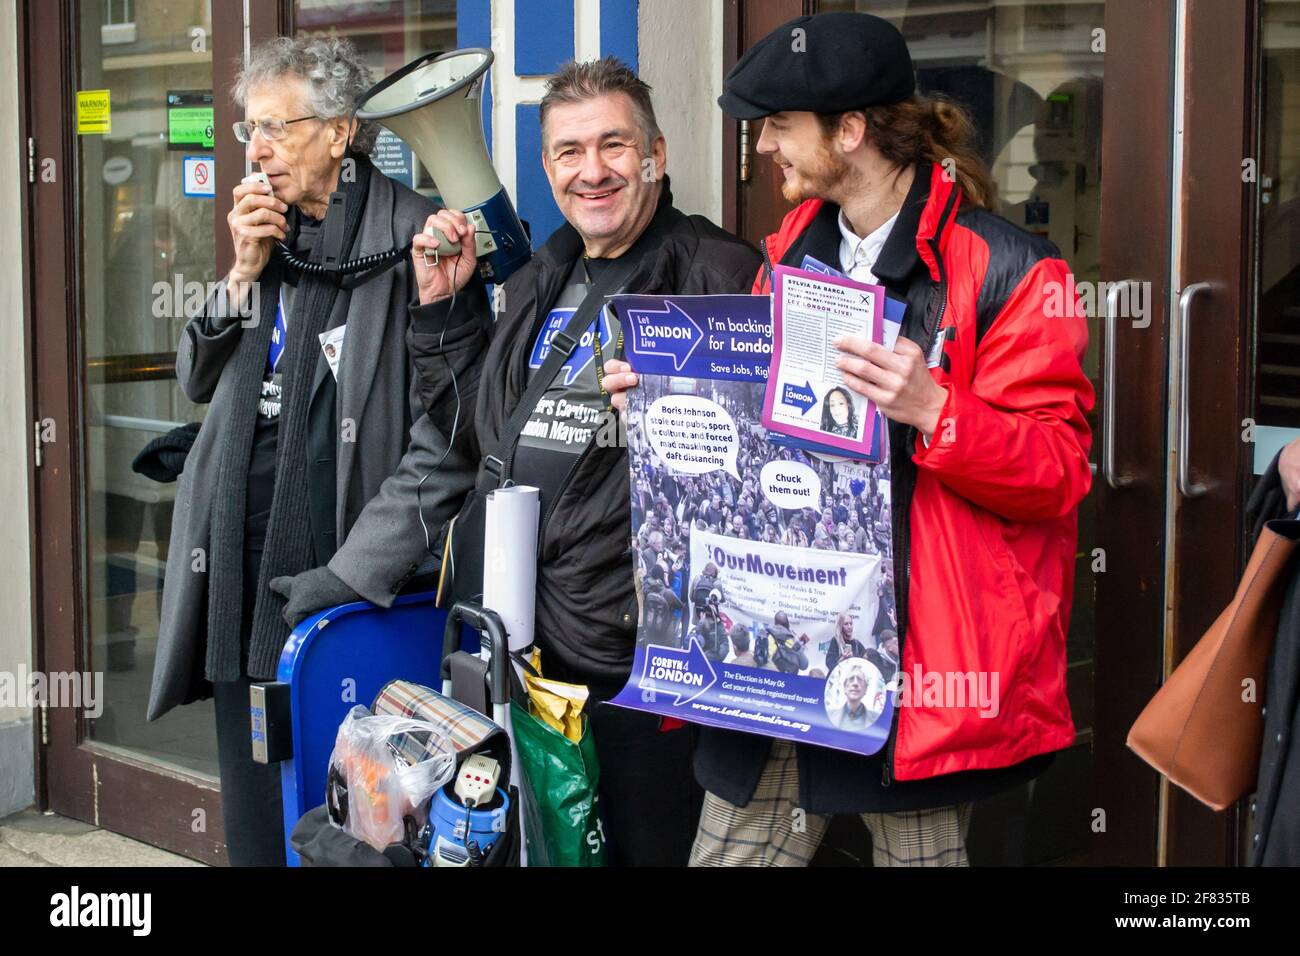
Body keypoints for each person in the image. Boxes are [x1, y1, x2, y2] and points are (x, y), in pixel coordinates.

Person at [604, 12, 1092, 867]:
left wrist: (937, 409)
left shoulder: (1013, 268)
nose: (762, 149)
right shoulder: (790, 250)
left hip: (919, 675)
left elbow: (1058, 471)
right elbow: (766, 444)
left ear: (852, 131)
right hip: (782, 645)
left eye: (778, 128)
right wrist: (665, 400)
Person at [406, 57, 761, 866]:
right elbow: (480, 442)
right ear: (547, 167)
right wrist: (446, 309)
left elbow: (759, 487)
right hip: (520, 641)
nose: (591, 171)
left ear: (656, 157)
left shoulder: (721, 275)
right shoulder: (543, 273)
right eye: (569, 152)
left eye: (613, 146)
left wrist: (673, 421)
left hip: (633, 658)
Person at [146, 37, 485, 865]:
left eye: (274, 127)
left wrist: (352, 572)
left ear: (338, 132)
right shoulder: (269, 233)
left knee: (348, 796)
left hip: (344, 564)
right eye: (246, 130)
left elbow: (446, 435)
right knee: (253, 774)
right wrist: (241, 272)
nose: (255, 148)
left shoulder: (410, 234)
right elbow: (196, 378)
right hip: (239, 550)